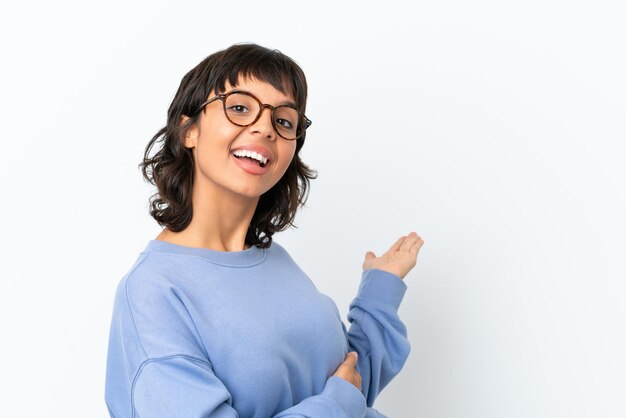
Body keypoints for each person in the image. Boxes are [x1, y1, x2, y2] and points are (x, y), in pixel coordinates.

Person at [104, 43, 425, 418]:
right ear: (188, 130)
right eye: (239, 107)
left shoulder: (276, 263)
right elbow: (340, 401)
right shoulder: (152, 293)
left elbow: (353, 387)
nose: (264, 127)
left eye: (284, 120)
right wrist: (337, 401)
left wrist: (380, 292)